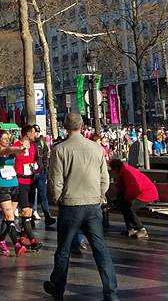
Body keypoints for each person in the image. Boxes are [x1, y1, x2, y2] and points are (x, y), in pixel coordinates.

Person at [45, 113, 117, 301]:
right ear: (83, 125)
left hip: (71, 204)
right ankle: (111, 292)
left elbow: (55, 181)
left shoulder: (59, 150)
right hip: (93, 204)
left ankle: (58, 287)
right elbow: (105, 178)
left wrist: (57, 200)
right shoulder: (96, 148)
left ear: (64, 127)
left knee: (63, 249)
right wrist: (100, 196)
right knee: (100, 248)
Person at [0, 129, 27, 256]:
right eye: (4, 139)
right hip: (1, 187)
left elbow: (19, 153)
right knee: (9, 216)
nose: (7, 141)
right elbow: (5, 151)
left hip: (14, 185)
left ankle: (1, 241)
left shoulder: (12, 150)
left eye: (8, 138)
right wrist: (14, 148)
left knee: (8, 217)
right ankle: (17, 244)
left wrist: (22, 149)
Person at [109, 158, 158, 238]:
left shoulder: (127, 172)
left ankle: (141, 229)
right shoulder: (123, 171)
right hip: (141, 194)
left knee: (128, 207)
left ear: (116, 168)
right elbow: (120, 187)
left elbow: (134, 189)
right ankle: (131, 229)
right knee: (124, 205)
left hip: (146, 195)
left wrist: (126, 199)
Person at [14, 124, 43, 250]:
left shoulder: (34, 146)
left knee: (29, 213)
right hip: (20, 181)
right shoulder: (16, 145)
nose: (35, 134)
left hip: (31, 180)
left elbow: (37, 159)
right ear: (26, 133)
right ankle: (33, 239)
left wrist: (36, 165)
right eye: (32, 132)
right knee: (25, 211)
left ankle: (22, 237)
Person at [33, 129, 55, 227]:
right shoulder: (28, 143)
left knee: (43, 196)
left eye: (38, 132)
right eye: (34, 132)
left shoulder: (42, 143)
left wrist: (46, 170)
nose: (36, 134)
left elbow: (46, 157)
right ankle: (29, 217)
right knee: (32, 196)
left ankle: (47, 215)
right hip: (31, 174)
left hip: (41, 173)